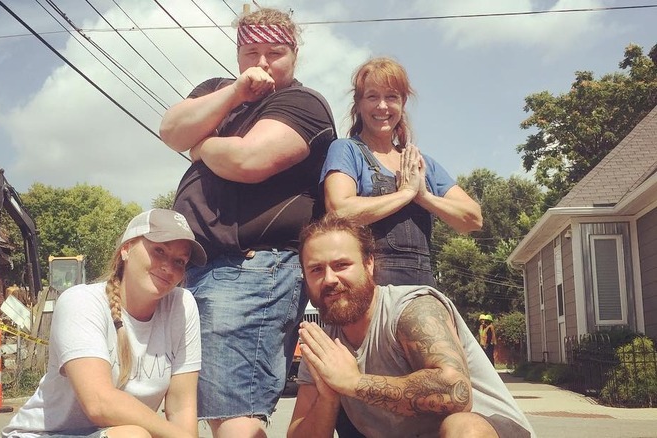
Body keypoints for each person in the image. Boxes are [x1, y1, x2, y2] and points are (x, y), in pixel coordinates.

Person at [159, 6, 336, 438]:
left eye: (274, 52)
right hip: (193, 266)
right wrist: (233, 94)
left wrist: (201, 145)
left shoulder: (302, 102)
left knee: (234, 408)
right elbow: (170, 131)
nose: (261, 63)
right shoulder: (219, 91)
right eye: (251, 51)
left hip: (251, 267)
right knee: (185, 403)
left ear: (294, 54)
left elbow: (248, 160)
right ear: (237, 55)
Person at [288, 215, 534, 438]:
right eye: (316, 270)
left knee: (463, 427)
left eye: (341, 265)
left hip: (491, 431)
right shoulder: (323, 346)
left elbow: (456, 392)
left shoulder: (412, 307)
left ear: (369, 264)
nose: (329, 279)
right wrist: (329, 396)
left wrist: (353, 382)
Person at [2, 209, 207, 438]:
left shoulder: (182, 306)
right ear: (126, 250)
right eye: (159, 251)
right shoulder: (81, 301)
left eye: (180, 261)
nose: (168, 267)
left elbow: (182, 407)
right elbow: (100, 403)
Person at [321, 57, 482, 288]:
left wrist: (425, 197)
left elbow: (473, 219)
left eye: (391, 97)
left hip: (422, 288)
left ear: (403, 103)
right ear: (358, 104)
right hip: (369, 290)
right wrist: (405, 193)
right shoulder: (346, 150)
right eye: (372, 96)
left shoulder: (421, 163)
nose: (382, 106)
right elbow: (340, 211)